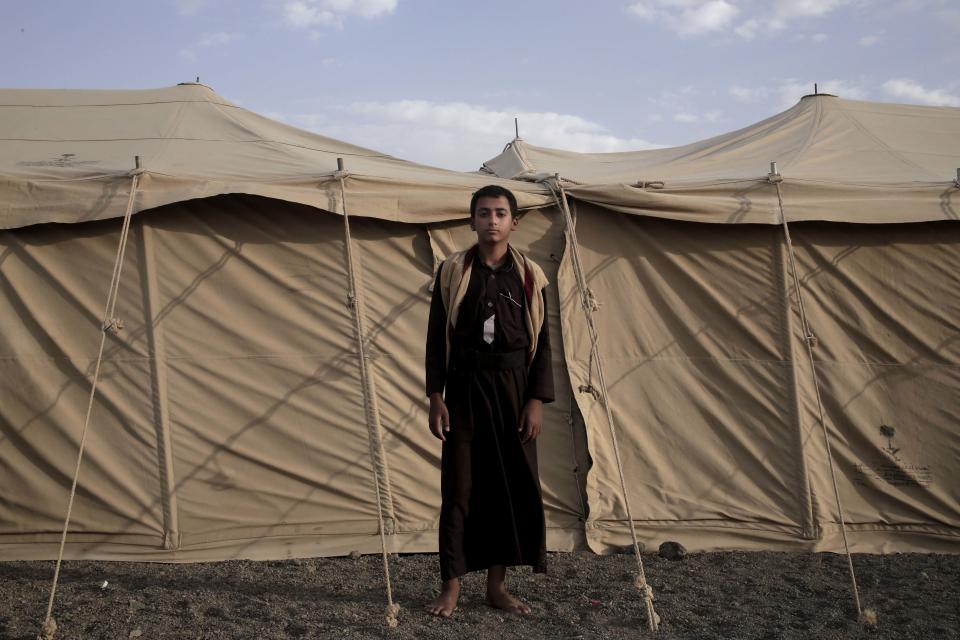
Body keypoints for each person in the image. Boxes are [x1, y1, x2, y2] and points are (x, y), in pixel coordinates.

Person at [424, 184, 554, 617]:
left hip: (514, 391)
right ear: (472, 220)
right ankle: (451, 586)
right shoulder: (453, 272)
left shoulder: (531, 276)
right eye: (484, 213)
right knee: (459, 489)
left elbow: (543, 344)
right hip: (464, 389)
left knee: (507, 487)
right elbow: (435, 340)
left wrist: (536, 399)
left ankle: (497, 586)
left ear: (513, 222)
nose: (492, 220)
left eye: (500, 213)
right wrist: (435, 395)